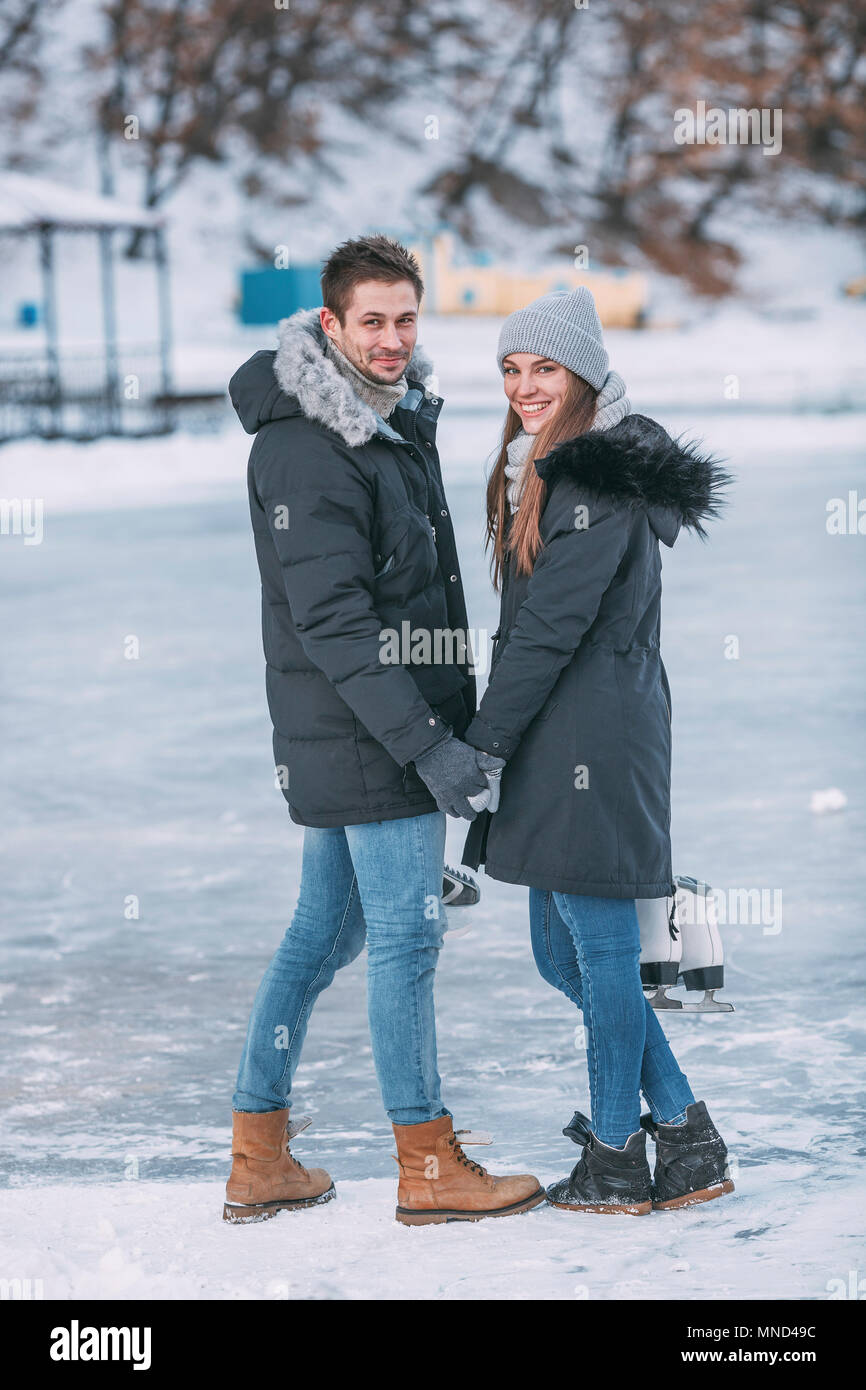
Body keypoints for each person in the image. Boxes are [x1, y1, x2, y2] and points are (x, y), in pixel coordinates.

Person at [225, 235, 544, 1225]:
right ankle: (426, 1160)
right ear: (330, 325)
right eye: (371, 320)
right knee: (404, 936)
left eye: (406, 318)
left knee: (326, 930)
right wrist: (428, 744)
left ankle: (259, 1151)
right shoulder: (306, 446)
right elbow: (335, 624)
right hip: (368, 733)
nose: (392, 338)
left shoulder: (383, 422)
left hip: (364, 725)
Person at [461, 287, 735, 1215]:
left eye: (545, 368)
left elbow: (549, 630)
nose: (526, 385)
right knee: (559, 951)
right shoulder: (541, 465)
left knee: (601, 953)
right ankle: (687, 1135)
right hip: (560, 730)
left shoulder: (596, 475)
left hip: (592, 734)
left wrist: (483, 745)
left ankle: (619, 1153)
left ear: (583, 375)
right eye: (512, 368)